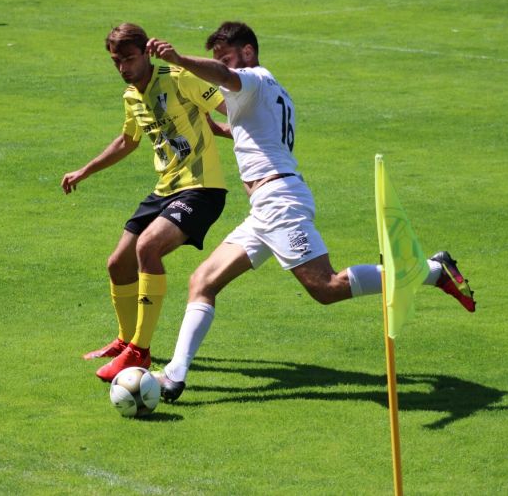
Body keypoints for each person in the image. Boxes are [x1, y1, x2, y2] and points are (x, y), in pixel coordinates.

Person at [146, 21, 476, 401]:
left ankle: (434, 271)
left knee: (326, 287)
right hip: (266, 206)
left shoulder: (251, 77)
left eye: (227, 57)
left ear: (248, 53)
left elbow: (223, 76)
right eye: (220, 59)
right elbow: (253, 132)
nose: (223, 66)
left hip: (279, 203)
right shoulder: (269, 91)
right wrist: (217, 127)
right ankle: (175, 376)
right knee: (202, 281)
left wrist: (178, 60)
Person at [61, 23, 230, 382]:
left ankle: (140, 350)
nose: (122, 67)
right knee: (117, 264)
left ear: (146, 54)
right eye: (115, 61)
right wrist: (85, 171)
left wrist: (240, 134)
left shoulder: (178, 76)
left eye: (129, 59)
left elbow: (230, 105)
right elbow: (127, 141)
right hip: (165, 189)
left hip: (202, 188)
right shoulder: (131, 96)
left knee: (148, 249)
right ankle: (124, 341)